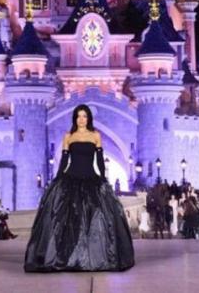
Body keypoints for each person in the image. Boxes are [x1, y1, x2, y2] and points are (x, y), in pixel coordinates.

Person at [24, 104, 134, 272]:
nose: (81, 119)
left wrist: (103, 178)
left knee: (96, 218)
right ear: (75, 118)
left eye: (84, 116)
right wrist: (58, 178)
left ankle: (94, 257)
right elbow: (64, 161)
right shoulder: (68, 136)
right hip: (70, 180)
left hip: (91, 180)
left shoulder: (95, 136)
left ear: (88, 118)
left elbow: (99, 160)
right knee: (64, 220)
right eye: (78, 116)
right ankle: (67, 257)